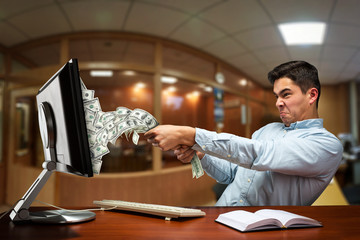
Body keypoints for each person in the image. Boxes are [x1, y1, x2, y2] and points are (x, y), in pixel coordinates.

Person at [144, 61, 343, 206]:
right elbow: (232, 174)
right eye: (276, 96)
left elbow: (261, 155)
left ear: (312, 95)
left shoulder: (327, 145)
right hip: (219, 218)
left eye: (286, 94)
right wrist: (202, 155)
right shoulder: (268, 130)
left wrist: (191, 135)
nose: (278, 103)